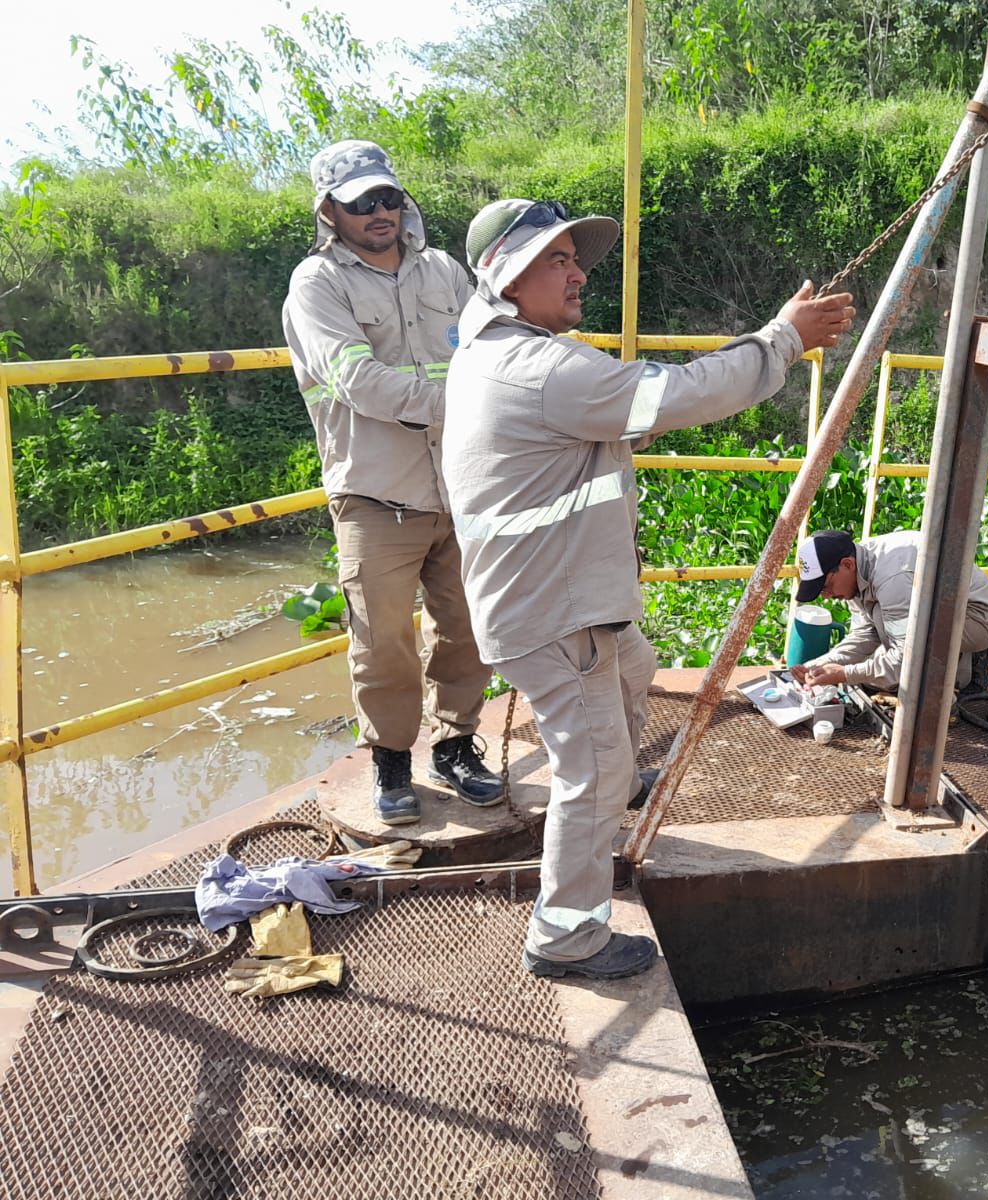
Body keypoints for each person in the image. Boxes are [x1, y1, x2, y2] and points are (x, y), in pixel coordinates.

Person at [442, 197, 854, 982]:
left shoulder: (498, 357)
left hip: (547, 603)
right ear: (508, 278)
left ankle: (623, 782)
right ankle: (566, 937)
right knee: (589, 773)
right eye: (557, 259)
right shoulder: (540, 369)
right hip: (556, 614)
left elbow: (621, 413)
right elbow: (677, 393)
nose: (578, 274)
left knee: (634, 665)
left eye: (575, 259)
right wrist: (782, 339)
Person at [282, 140, 502, 827]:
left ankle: (456, 747)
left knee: (467, 626)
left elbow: (494, 350)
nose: (379, 213)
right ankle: (391, 761)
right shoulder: (318, 284)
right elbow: (358, 381)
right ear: (330, 211)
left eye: (387, 198)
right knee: (382, 642)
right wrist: (470, 399)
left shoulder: (445, 272)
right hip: (375, 491)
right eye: (360, 204)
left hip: (461, 483)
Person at [789, 529, 988, 693]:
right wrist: (820, 665)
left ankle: (961, 676)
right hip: (943, 611)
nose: (826, 596)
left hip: (979, 618)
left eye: (826, 586)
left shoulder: (892, 579)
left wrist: (845, 673)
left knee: (889, 670)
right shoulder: (855, 569)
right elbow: (865, 633)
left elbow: (906, 657)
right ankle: (956, 663)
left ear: (847, 565)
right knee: (876, 663)